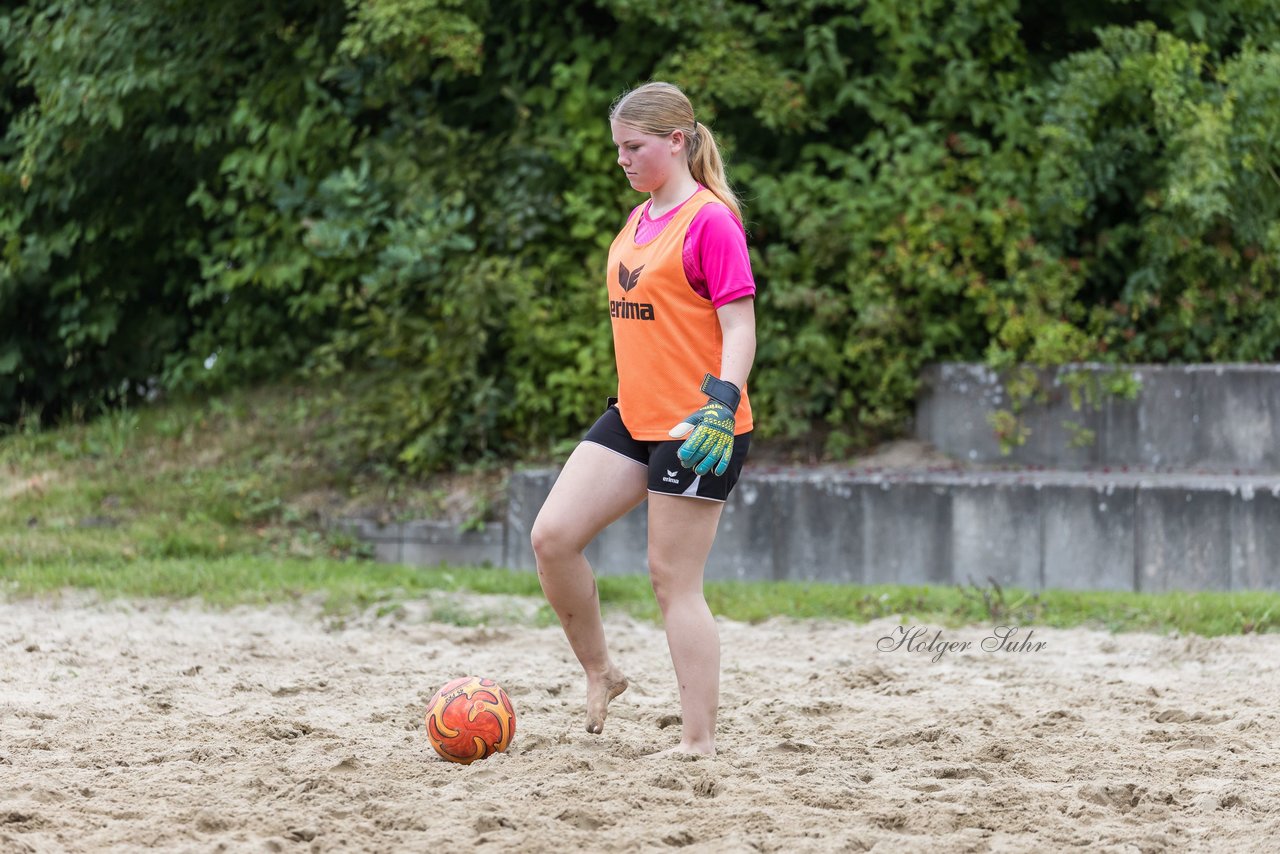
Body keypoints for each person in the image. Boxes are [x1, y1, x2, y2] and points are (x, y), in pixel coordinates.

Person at [530, 81, 756, 757]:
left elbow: (740, 326)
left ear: (676, 141)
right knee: (553, 537)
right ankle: (602, 671)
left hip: (698, 425)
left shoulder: (711, 221)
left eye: (634, 147)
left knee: (671, 581)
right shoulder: (639, 217)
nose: (622, 159)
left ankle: (697, 743)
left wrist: (721, 401)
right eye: (618, 148)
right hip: (635, 416)